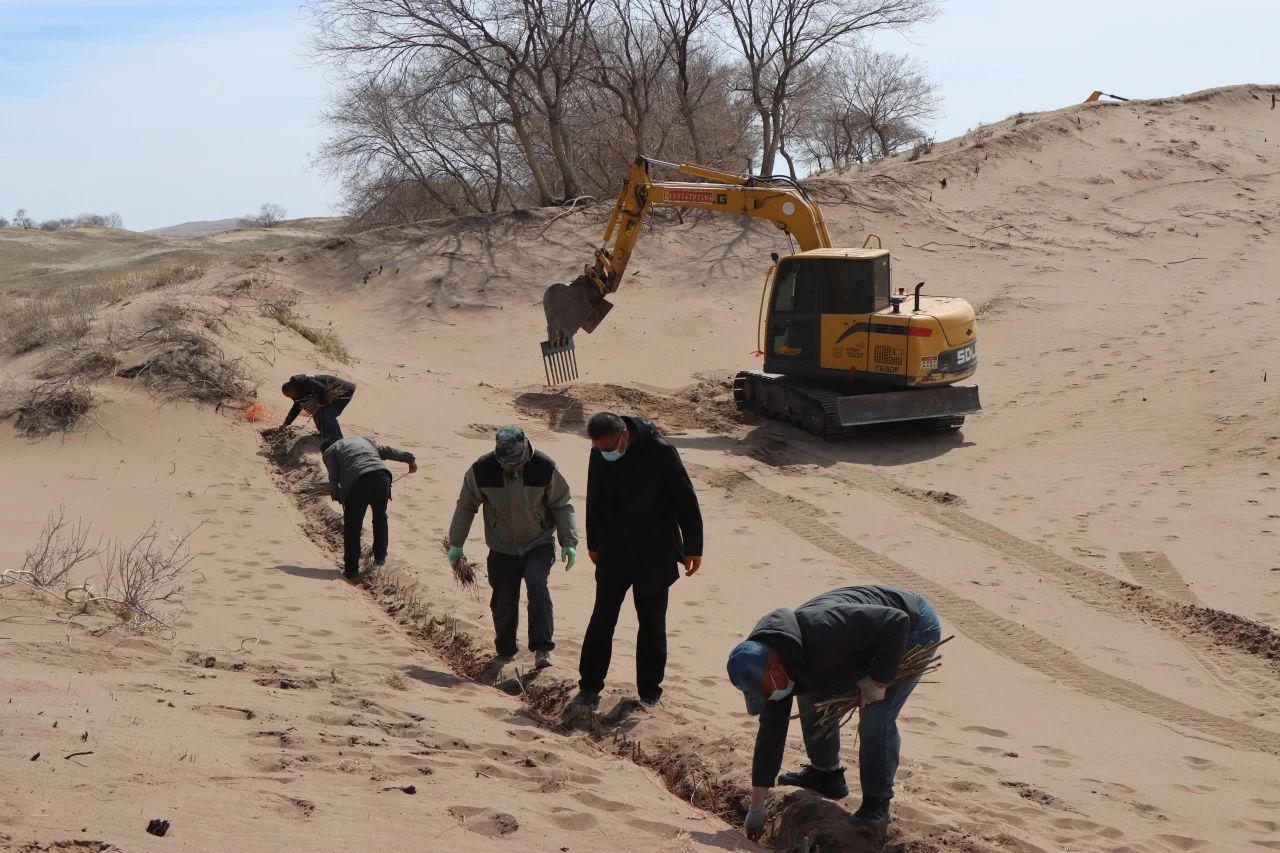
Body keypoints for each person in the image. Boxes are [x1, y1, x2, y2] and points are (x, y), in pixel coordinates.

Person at [726, 585, 942, 836]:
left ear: (775, 669)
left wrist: (878, 681)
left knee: (876, 713)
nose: (768, 697)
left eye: (764, 691)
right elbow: (771, 734)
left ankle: (877, 803)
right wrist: (757, 806)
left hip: (911, 628)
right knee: (811, 695)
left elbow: (896, 622)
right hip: (863, 641)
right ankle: (826, 775)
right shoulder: (771, 660)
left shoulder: (823, 631)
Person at [572, 412, 703, 710]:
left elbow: (686, 500)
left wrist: (693, 547)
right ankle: (589, 686)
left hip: (655, 552)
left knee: (652, 624)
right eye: (598, 448)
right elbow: (594, 496)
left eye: (608, 448)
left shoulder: (661, 452)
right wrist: (594, 543)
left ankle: (650, 692)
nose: (604, 453)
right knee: (602, 619)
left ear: (624, 435)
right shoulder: (599, 451)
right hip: (613, 550)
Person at [448, 427, 577, 670]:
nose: (511, 466)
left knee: (537, 586)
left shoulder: (545, 467)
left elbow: (562, 505)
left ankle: (542, 649)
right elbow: (466, 505)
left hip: (538, 542)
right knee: (503, 598)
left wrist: (568, 542)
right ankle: (506, 650)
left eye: (515, 461)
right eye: (505, 462)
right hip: (501, 547)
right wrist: (456, 543)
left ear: (525, 448)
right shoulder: (482, 470)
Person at [322, 435, 416, 580]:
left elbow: (333, 477)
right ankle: (380, 557)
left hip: (359, 482)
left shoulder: (329, 452)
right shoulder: (363, 441)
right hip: (382, 477)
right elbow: (387, 451)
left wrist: (336, 495)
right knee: (380, 517)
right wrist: (409, 459)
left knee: (353, 526)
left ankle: (352, 570)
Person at [281, 374, 356, 439]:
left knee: (328, 415)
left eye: (290, 395)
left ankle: (338, 439)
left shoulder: (304, 382)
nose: (292, 397)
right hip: (325, 395)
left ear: (292, 389)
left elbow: (320, 387)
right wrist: (286, 423)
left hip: (344, 391)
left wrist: (321, 403)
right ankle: (324, 433)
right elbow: (296, 407)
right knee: (315, 411)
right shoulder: (297, 392)